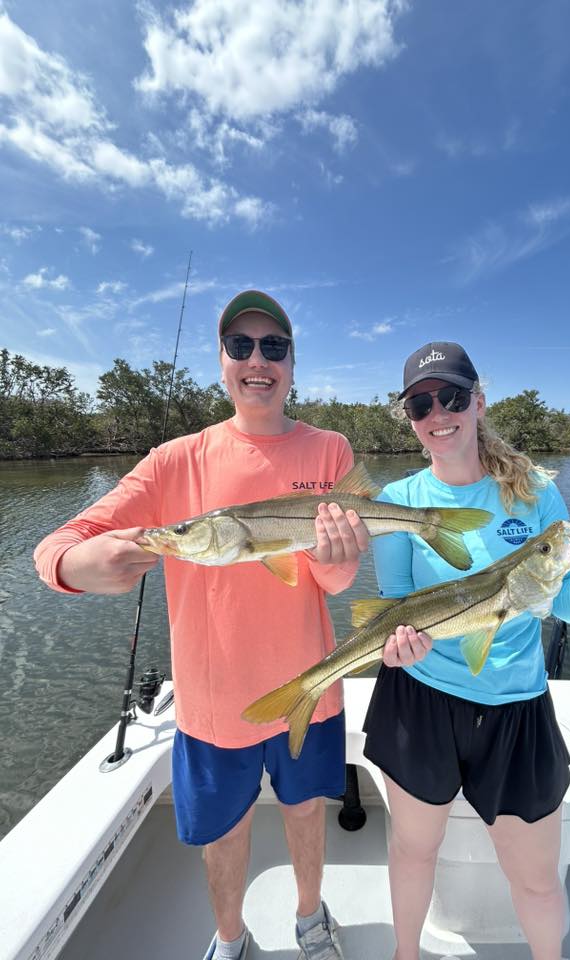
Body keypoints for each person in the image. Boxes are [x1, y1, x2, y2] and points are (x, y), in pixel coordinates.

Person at [34, 289, 370, 960]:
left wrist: (336, 558)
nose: (257, 360)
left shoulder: (330, 449)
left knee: (306, 810)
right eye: (240, 346)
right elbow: (54, 547)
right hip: (214, 707)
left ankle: (310, 919)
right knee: (226, 830)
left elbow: (337, 580)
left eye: (273, 347)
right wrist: (79, 564)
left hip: (310, 686)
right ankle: (229, 937)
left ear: (292, 364)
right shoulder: (172, 461)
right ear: (221, 362)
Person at [363, 341, 570, 960]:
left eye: (451, 396)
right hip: (420, 699)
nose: (437, 413)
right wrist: (393, 649)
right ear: (409, 417)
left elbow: (559, 607)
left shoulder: (534, 493)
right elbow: (396, 603)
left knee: (535, 878)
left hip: (516, 709)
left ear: (478, 401)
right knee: (412, 849)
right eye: (420, 403)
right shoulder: (397, 501)